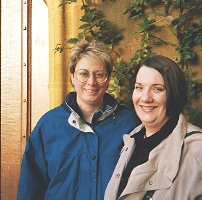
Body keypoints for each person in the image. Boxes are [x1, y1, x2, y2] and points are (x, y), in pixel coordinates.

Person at [104, 55, 202, 200]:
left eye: (157, 89)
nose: (145, 98)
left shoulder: (199, 149)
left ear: (174, 93)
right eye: (139, 87)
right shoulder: (133, 139)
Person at [17, 40, 140, 200]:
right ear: (72, 78)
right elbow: (30, 189)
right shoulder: (48, 125)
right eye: (83, 74)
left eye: (99, 74)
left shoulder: (129, 124)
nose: (91, 82)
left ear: (108, 80)